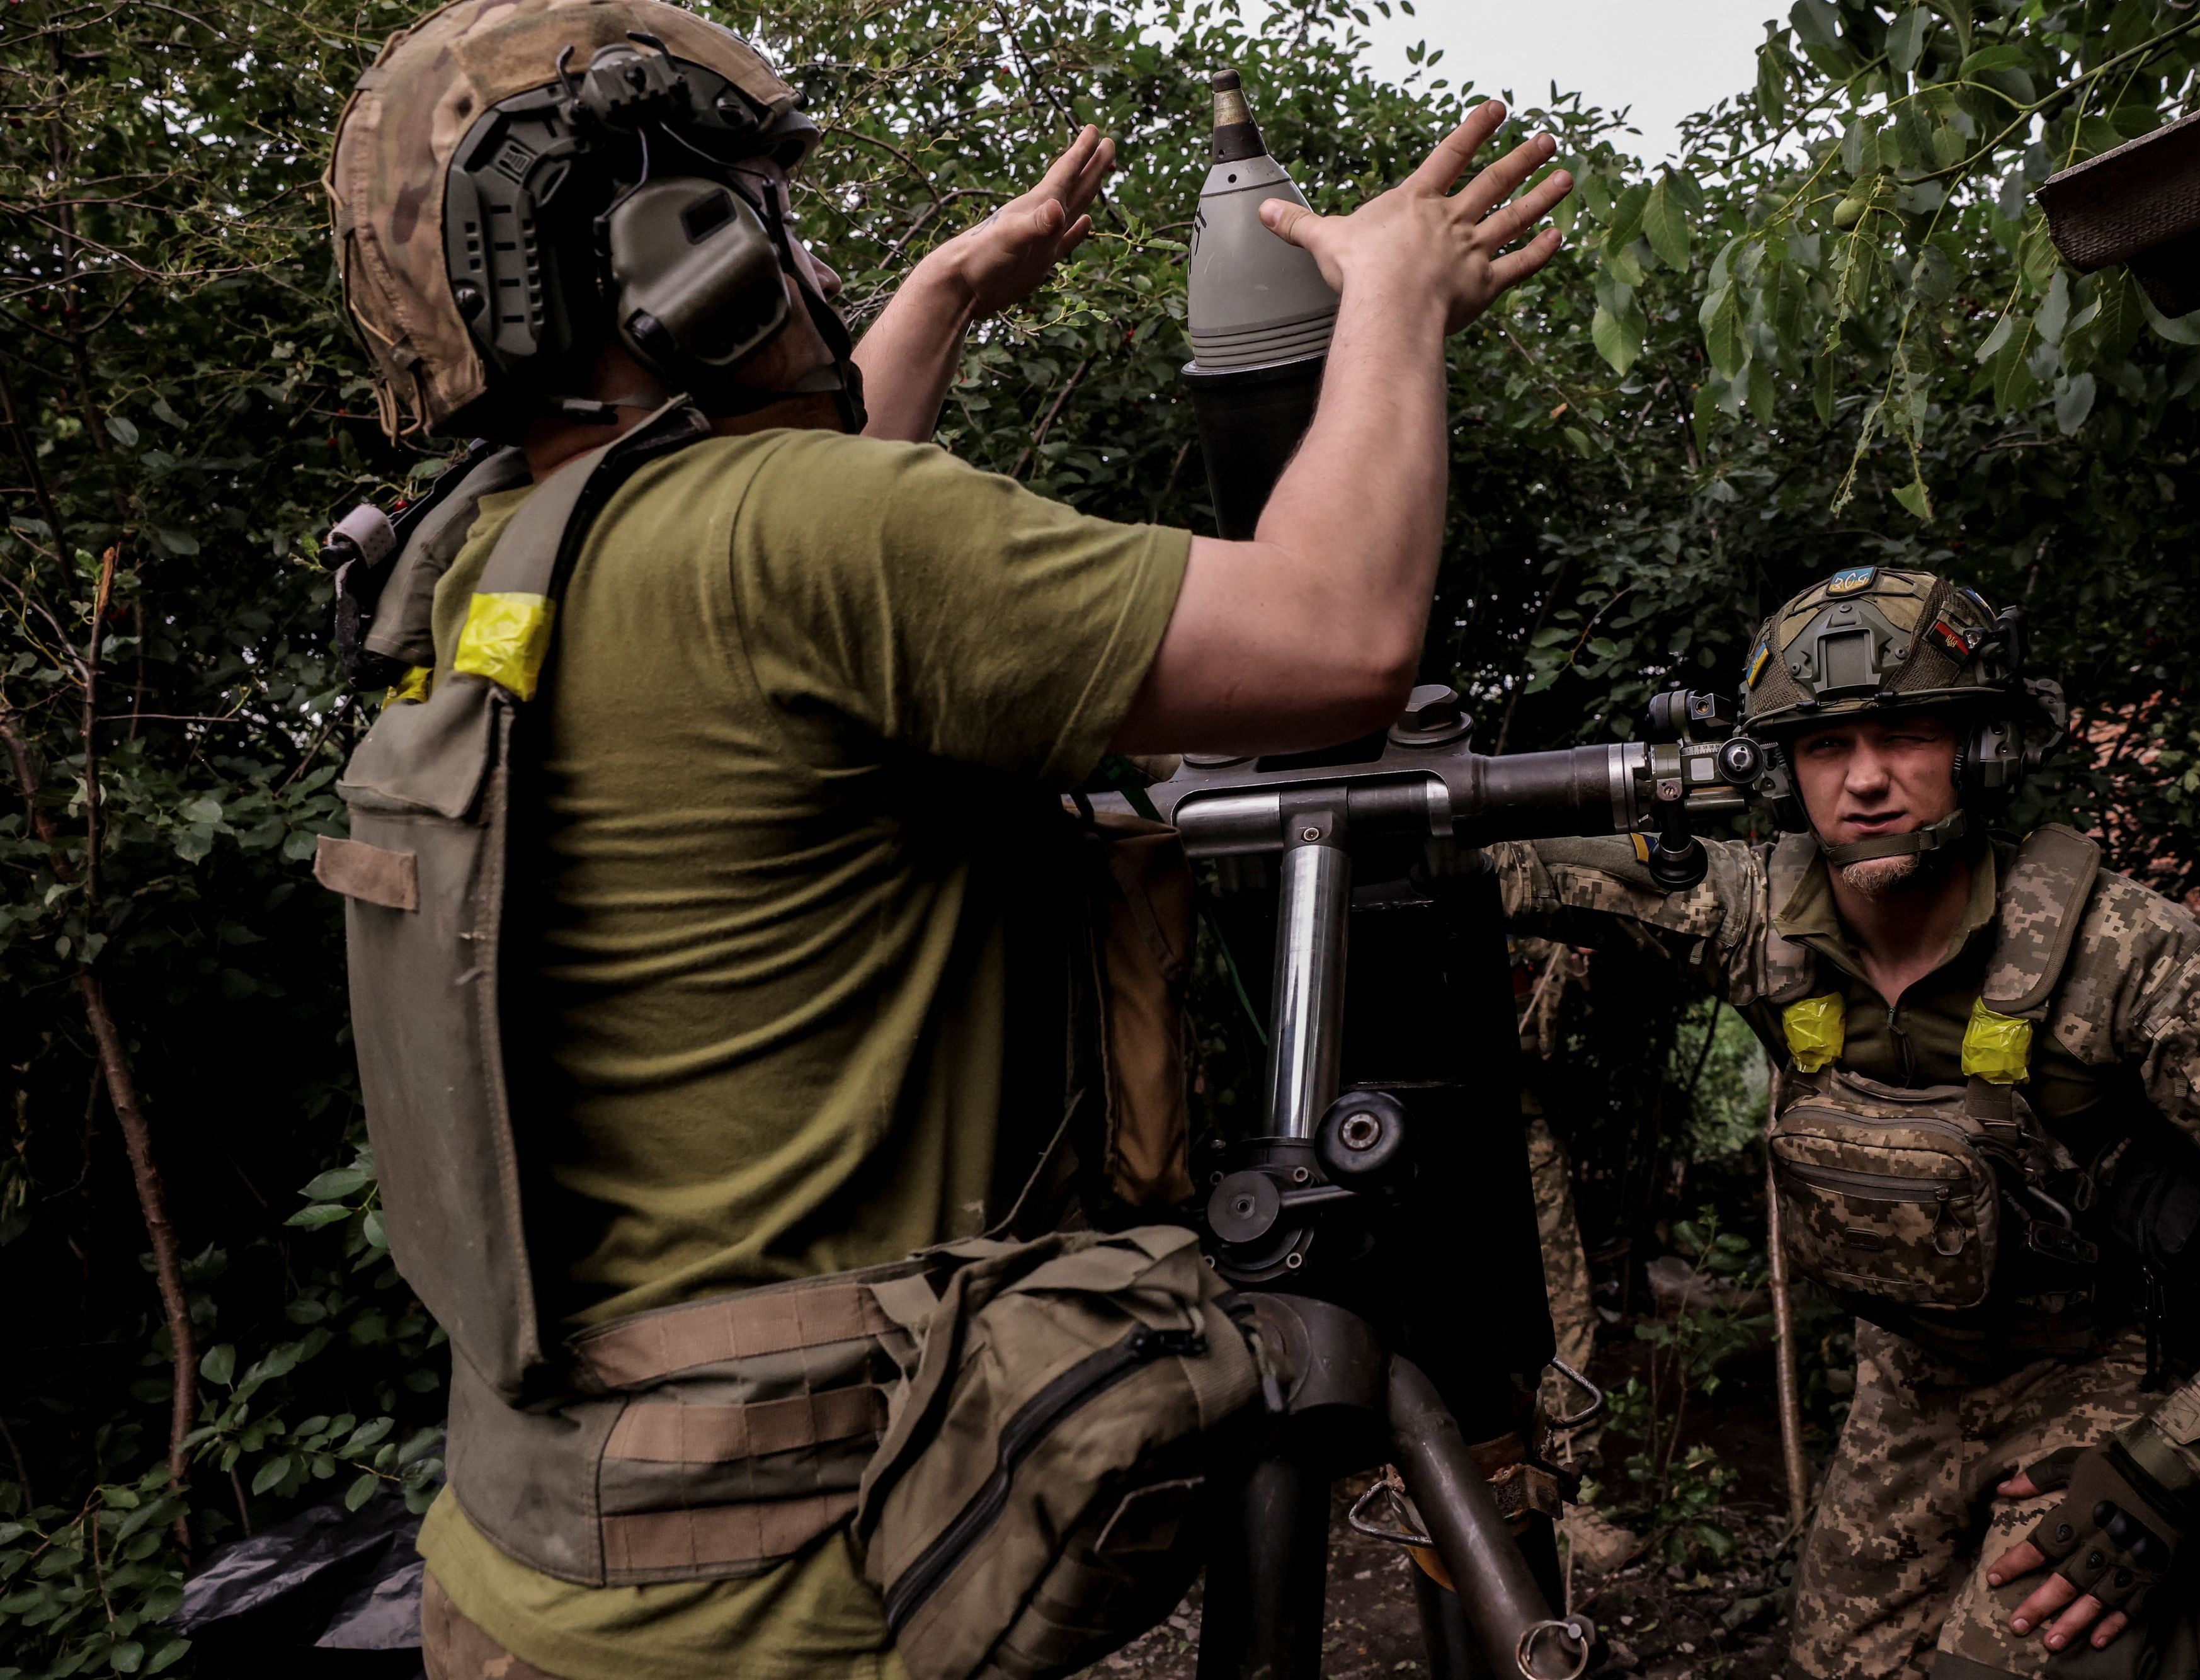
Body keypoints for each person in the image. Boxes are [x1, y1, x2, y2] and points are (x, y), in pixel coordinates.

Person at [320, 3, 1571, 1676]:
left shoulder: (479, 567)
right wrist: (1397, 301)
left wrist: (943, 299)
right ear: (668, 250)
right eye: (767, 215)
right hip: (791, 1601)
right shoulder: (805, 539)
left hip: (534, 1571)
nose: (806, 260)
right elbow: (1336, 632)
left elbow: (801, 586)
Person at [1486, 566, 2200, 1680]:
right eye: (1824, 747)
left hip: (2099, 1378)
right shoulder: (1757, 919)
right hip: (1909, 1388)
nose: (1867, 783)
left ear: (1983, 750)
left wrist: (2175, 1470)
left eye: (1906, 735)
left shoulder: (2124, 953)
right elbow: (1504, 866)